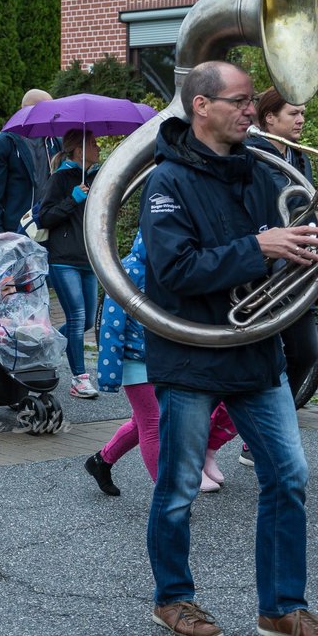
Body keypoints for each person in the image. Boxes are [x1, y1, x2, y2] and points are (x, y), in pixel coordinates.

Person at [141, 61, 315, 636]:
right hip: (191, 355)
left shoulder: (261, 172)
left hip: (256, 352)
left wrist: (301, 246)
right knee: (178, 488)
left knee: (289, 476)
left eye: (249, 103)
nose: (250, 110)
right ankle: (174, 599)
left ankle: (281, 607)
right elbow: (174, 269)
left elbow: (285, 247)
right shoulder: (166, 181)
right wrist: (258, 247)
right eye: (240, 101)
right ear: (201, 106)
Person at [86, 233, 239, 496]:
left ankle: (101, 461)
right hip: (136, 361)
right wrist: (109, 374)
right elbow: (111, 325)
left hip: (166, 360)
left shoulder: (173, 269)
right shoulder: (128, 270)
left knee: (142, 422)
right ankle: (169, 496)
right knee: (154, 426)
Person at [245, 86, 318, 416]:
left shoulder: (298, 155)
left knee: (306, 354)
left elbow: (305, 206)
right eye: (294, 113)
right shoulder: (252, 156)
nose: (301, 119)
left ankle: (267, 428)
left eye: (303, 112)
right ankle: (258, 432)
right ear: (270, 118)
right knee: (286, 355)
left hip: (299, 267)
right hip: (266, 271)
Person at [36, 128, 100, 399]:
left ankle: (45, 348)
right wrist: (72, 199)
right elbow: (45, 217)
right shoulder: (60, 178)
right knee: (75, 317)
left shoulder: (98, 177)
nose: (98, 148)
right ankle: (79, 379)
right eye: (93, 144)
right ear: (78, 150)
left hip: (90, 257)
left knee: (85, 320)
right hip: (64, 259)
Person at [0, 89, 59, 236]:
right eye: (49, 109)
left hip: (47, 228)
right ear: (31, 110)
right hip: (15, 230)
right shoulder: (3, 143)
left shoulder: (53, 142)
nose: (53, 114)